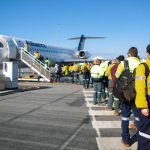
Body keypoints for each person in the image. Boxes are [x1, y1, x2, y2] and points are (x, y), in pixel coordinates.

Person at [115, 47, 141, 147]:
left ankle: (126, 140)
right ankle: (140, 137)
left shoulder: (123, 63)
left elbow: (117, 75)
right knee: (138, 117)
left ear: (129, 54)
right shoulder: (141, 64)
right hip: (137, 94)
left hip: (126, 94)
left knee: (125, 117)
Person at [135, 44, 150, 150]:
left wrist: (143, 106)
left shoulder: (143, 66)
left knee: (145, 131)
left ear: (147, 53)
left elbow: (140, 88)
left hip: (147, 100)